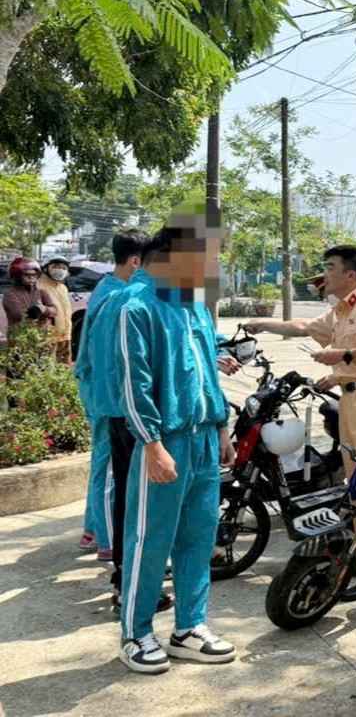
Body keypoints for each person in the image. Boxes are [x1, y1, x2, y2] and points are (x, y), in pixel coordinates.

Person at [110, 204, 237, 674]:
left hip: (203, 437)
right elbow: (133, 382)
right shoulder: (136, 305)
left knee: (198, 537)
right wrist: (151, 443)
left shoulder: (194, 305)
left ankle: (189, 627)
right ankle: (136, 631)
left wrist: (221, 426)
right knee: (149, 538)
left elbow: (208, 371)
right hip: (164, 441)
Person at [244, 245, 356, 602]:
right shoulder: (338, 311)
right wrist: (262, 324)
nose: (325, 273)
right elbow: (304, 327)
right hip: (351, 403)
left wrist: (339, 362)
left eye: (331, 266)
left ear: (351, 274)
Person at [75, 229, 147, 560]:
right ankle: (107, 540)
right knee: (106, 471)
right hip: (107, 395)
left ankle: (93, 529)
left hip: (102, 390)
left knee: (104, 466)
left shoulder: (110, 288)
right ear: (135, 262)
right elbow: (106, 356)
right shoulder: (119, 297)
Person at [3, 258, 56, 333]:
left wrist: (44, 309)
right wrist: (38, 309)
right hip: (20, 336)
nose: (31, 277)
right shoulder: (10, 294)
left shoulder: (41, 292)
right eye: (26, 275)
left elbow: (55, 310)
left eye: (34, 275)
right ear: (17, 276)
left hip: (41, 336)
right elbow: (19, 314)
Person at [39, 255, 73, 363]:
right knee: (48, 371)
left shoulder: (63, 288)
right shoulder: (39, 286)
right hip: (48, 338)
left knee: (64, 370)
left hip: (65, 335)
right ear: (46, 268)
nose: (60, 270)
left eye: (63, 268)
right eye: (56, 266)